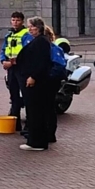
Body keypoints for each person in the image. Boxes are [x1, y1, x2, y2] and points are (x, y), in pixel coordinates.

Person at [18, 17, 57, 151]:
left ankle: (37, 141)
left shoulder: (41, 42)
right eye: (28, 27)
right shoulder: (38, 41)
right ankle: (36, 139)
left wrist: (33, 76)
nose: (29, 29)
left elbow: (42, 62)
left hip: (35, 81)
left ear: (38, 27)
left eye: (31, 27)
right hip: (31, 78)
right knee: (33, 110)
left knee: (35, 110)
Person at [0, 12, 32, 134]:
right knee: (13, 95)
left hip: (22, 68)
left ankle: (29, 124)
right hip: (11, 69)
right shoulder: (9, 34)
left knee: (26, 94)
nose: (15, 22)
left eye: (17, 20)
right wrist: (3, 60)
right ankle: (15, 122)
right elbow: (4, 49)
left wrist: (12, 62)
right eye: (13, 20)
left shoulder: (26, 35)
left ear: (22, 21)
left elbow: (26, 52)